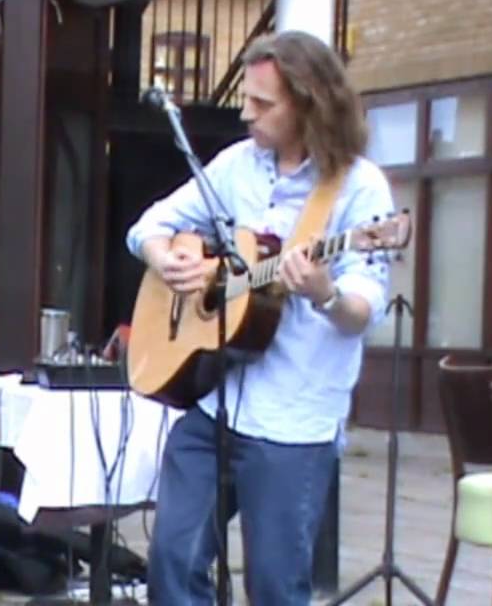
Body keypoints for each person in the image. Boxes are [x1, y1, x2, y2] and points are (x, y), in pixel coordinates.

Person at [127, 30, 394, 604]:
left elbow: (363, 310)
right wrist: (166, 259)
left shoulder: (360, 187)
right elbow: (148, 226)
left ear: (309, 103)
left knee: (274, 586)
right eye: (246, 98)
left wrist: (324, 293)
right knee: (171, 560)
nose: (246, 113)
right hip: (215, 400)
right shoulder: (235, 167)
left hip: (293, 421)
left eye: (262, 103)